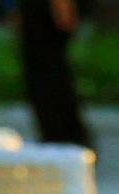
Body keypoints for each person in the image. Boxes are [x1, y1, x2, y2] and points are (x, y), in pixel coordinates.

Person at [15, 0, 91, 149]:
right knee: (42, 71)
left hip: (47, 12)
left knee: (49, 70)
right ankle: (58, 137)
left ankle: (65, 137)